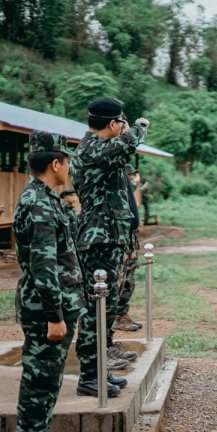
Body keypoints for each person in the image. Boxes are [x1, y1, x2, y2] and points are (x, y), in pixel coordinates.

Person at [71, 97, 148, 397]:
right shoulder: (93, 149)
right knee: (94, 308)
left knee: (106, 306)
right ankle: (89, 376)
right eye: (120, 122)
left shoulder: (103, 150)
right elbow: (129, 143)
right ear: (113, 123)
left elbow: (123, 150)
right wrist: (139, 126)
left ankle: (97, 371)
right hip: (97, 239)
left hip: (107, 237)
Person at [13, 131, 90, 431]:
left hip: (55, 306)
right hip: (48, 311)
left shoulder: (44, 199)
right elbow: (43, 265)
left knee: (46, 384)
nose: (69, 169)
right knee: (40, 387)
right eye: (67, 162)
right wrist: (54, 316)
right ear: (56, 164)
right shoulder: (39, 205)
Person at [114, 164, 144, 332]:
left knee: (129, 279)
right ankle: (118, 316)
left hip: (129, 238)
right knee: (123, 280)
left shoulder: (126, 187)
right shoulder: (120, 188)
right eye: (130, 175)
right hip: (123, 239)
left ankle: (122, 313)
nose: (133, 178)